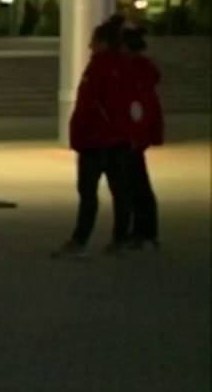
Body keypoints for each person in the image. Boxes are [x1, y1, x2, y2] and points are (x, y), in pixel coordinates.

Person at [53, 19, 132, 258]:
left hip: (95, 140)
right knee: (120, 191)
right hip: (118, 139)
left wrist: (79, 135)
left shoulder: (99, 68)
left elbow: (88, 106)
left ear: (103, 43)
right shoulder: (124, 67)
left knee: (88, 193)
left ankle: (80, 240)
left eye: (94, 41)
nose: (90, 46)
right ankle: (119, 239)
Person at [120, 25, 163, 250]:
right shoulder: (142, 71)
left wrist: (134, 136)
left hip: (132, 137)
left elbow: (138, 109)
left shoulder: (135, 72)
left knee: (137, 185)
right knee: (137, 184)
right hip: (136, 136)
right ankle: (142, 231)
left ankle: (144, 232)